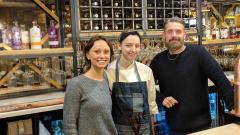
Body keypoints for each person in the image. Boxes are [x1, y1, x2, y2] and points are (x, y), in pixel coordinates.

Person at [150, 17, 234, 135]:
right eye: (170, 31)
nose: (174, 35)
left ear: (185, 34)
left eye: (178, 31)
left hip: (202, 127)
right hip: (173, 128)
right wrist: (161, 98)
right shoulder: (158, 60)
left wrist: (234, 108)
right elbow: (147, 87)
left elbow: (221, 80)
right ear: (163, 35)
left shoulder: (198, 53)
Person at [107, 30, 159, 135]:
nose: (133, 50)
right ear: (119, 46)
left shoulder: (145, 70)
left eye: (137, 46)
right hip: (119, 127)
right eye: (128, 45)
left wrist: (152, 130)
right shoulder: (110, 71)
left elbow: (151, 104)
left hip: (142, 127)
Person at [63, 36, 117, 135]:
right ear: (88, 55)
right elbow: (69, 126)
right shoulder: (76, 84)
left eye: (106, 52)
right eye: (97, 51)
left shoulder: (107, 78)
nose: (102, 56)